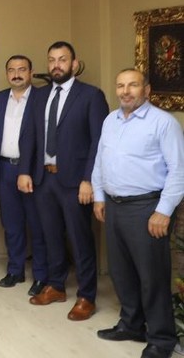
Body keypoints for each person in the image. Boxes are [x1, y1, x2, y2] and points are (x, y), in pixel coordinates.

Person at [92, 69, 184, 358]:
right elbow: (100, 161)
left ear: (147, 90)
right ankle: (131, 325)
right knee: (121, 271)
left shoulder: (163, 123)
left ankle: (161, 339)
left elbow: (179, 171)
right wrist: (99, 196)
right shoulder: (110, 120)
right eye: (120, 85)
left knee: (151, 276)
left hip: (147, 208)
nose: (125, 91)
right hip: (114, 206)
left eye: (133, 85)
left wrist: (163, 211)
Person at [19, 41, 109, 321]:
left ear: (74, 63)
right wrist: (24, 170)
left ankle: (86, 296)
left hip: (75, 182)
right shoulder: (39, 96)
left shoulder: (91, 96)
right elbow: (29, 135)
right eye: (52, 60)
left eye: (62, 59)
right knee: (50, 236)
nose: (56, 65)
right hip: (44, 178)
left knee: (80, 239)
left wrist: (89, 180)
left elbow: (99, 142)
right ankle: (56, 286)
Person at [0, 55, 47, 295]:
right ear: (6, 74)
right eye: (11, 70)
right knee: (11, 224)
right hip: (4, 168)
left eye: (22, 69)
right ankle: (15, 270)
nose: (16, 74)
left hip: (32, 170)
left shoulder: (42, 98)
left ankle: (41, 275)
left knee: (37, 224)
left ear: (31, 72)